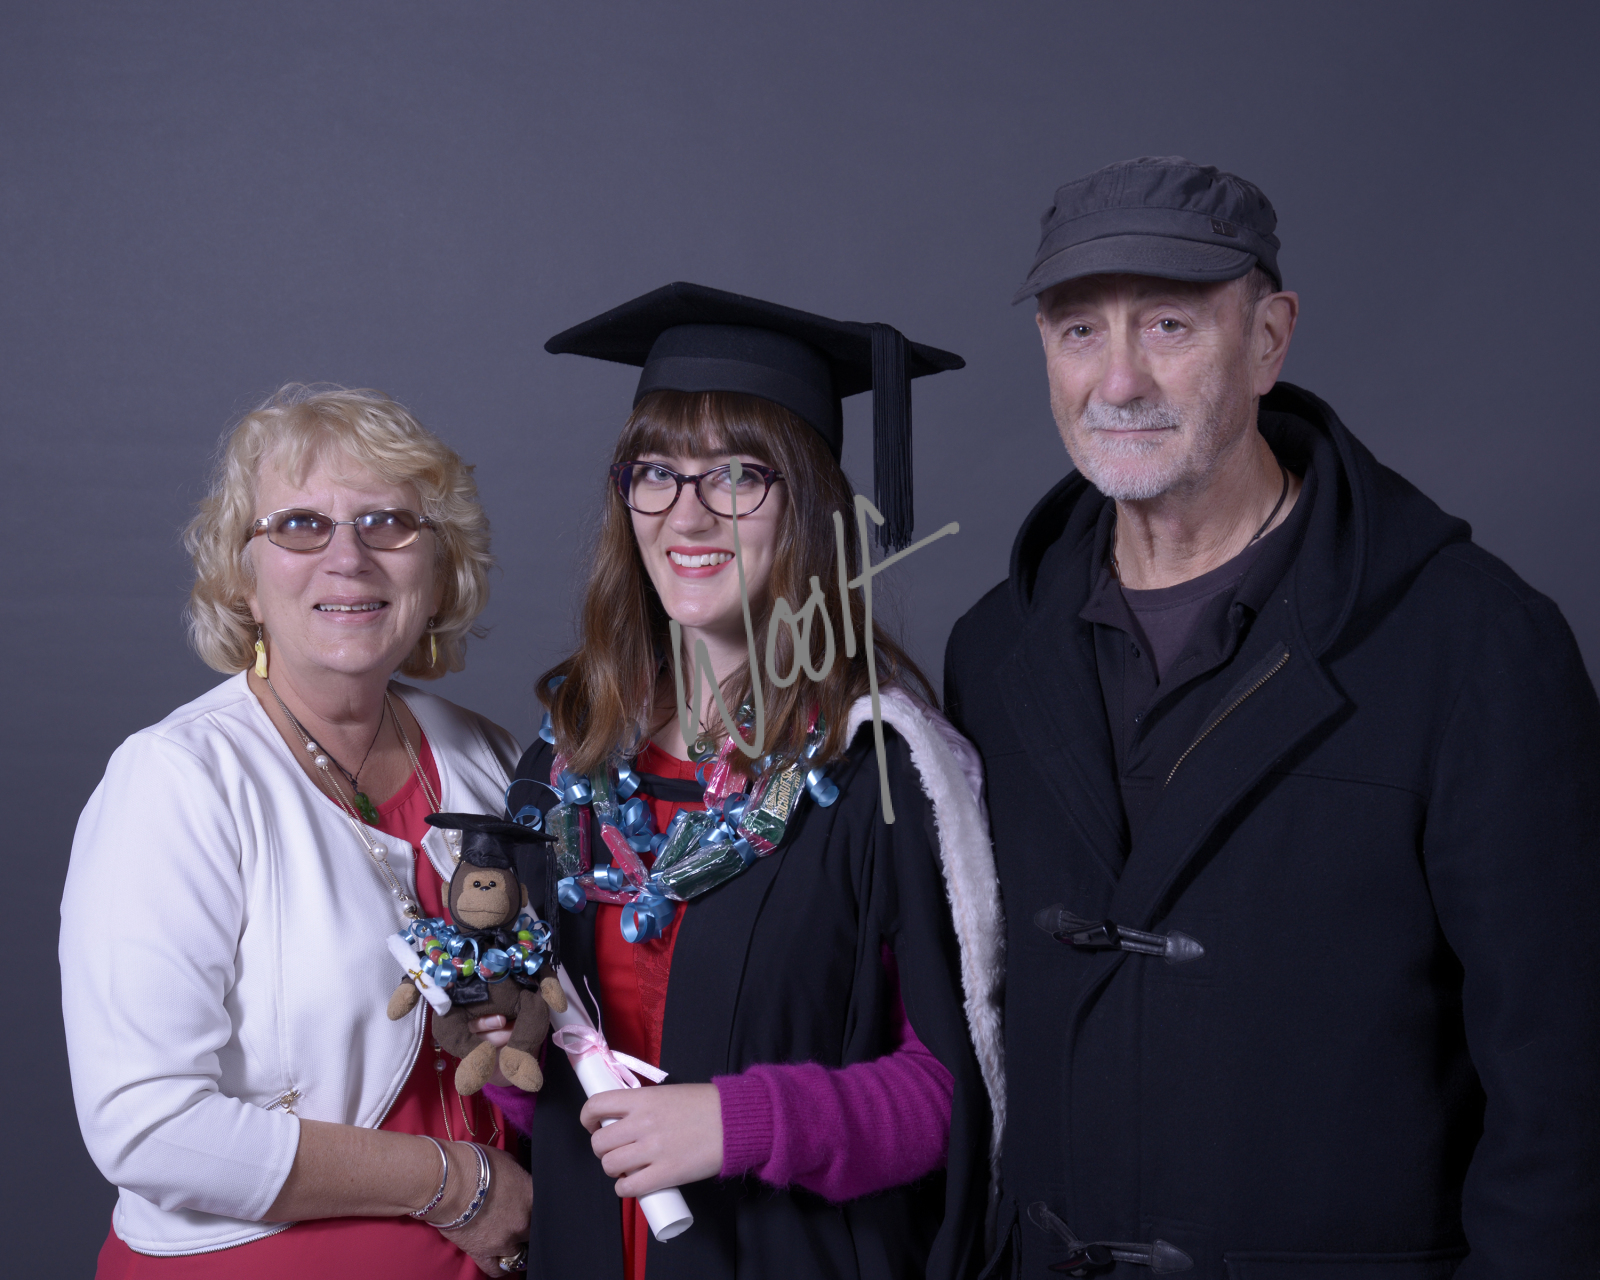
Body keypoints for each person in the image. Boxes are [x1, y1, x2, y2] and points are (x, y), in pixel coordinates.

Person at [944, 156, 1600, 1277]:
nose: (1118, 381)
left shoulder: (1476, 645)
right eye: (1080, 331)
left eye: (1167, 324)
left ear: (1267, 339)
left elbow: (1565, 1092)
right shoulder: (993, 649)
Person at [504, 282, 1003, 1280]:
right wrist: (505, 1053)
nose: (687, 514)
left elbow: (953, 1093)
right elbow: (543, 1102)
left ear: (807, 504)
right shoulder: (565, 769)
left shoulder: (880, 769)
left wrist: (740, 1122)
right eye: (656, 472)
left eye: (737, 475)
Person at [62, 386, 539, 1277]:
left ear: (438, 568)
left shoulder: (490, 753)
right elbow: (144, 1124)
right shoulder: (175, 780)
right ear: (241, 578)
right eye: (299, 526)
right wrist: (455, 1184)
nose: (348, 559)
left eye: (388, 522)